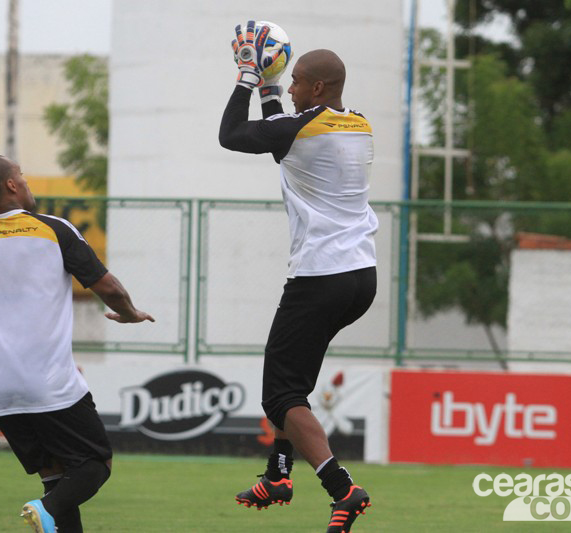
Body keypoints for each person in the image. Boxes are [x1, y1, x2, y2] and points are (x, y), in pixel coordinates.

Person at [0, 155, 154, 533]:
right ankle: (45, 509)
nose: (27, 183)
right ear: (11, 185)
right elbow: (108, 288)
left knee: (57, 475)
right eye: (22, 177)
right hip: (50, 383)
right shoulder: (53, 230)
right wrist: (130, 313)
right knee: (95, 464)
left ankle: (48, 508)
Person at [219, 22, 377, 533]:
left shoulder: (298, 128)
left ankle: (343, 490)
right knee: (293, 384)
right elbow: (284, 135)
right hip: (361, 276)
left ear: (318, 87)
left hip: (320, 277)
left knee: (280, 397)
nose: (289, 89)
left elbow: (231, 135)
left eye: (296, 82)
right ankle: (278, 475)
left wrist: (249, 76)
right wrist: (271, 86)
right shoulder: (359, 123)